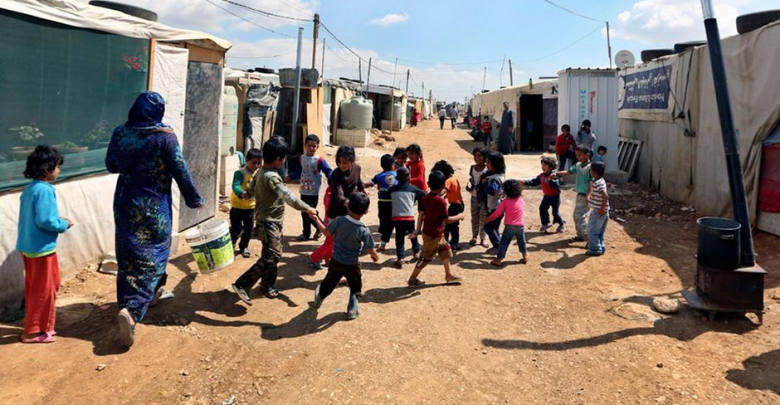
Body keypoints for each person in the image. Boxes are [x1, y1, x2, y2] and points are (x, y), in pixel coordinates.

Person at [106, 91, 203, 347]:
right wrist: (193, 198)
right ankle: (132, 311)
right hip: (154, 207)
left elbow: (112, 165)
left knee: (129, 254)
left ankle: (154, 293)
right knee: (155, 254)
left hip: (126, 202)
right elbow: (180, 169)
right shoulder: (165, 136)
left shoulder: (120, 133)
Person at [231, 139, 317, 305]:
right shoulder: (271, 177)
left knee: (268, 253)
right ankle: (243, 283)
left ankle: (267, 284)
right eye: (284, 158)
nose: (284, 161)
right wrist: (307, 208)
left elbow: (250, 189)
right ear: (278, 159)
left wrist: (246, 194)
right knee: (274, 254)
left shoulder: (260, 172)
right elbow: (288, 196)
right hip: (269, 223)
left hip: (269, 221)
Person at [17, 146, 73, 344]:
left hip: (29, 247)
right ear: (47, 169)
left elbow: (38, 217)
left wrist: (57, 220)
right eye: (57, 166)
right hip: (41, 250)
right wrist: (64, 224)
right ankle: (33, 331)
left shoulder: (30, 189)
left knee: (41, 287)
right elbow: (46, 220)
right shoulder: (45, 191)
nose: (58, 170)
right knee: (45, 290)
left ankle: (43, 326)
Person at [310, 193, 379, 320]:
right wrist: (374, 256)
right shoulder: (363, 229)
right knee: (355, 287)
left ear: (348, 206)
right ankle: (352, 310)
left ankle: (318, 299)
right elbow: (370, 249)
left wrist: (316, 219)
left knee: (329, 283)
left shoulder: (339, 221)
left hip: (335, 261)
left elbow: (326, 233)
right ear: (366, 211)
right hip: (352, 265)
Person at [308, 145, 365, 270]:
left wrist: (363, 190)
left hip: (349, 210)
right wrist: (347, 202)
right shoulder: (336, 174)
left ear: (352, 160)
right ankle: (314, 257)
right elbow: (339, 195)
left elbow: (358, 181)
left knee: (335, 239)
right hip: (336, 210)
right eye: (339, 162)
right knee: (332, 239)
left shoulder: (357, 168)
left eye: (345, 162)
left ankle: (328, 259)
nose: (341, 165)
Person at [407, 171, 464, 287]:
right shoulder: (441, 202)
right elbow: (447, 220)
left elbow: (421, 215)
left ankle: (449, 275)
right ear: (443, 186)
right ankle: (412, 279)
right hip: (434, 235)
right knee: (425, 258)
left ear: (428, 184)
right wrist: (459, 216)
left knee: (445, 250)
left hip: (431, 233)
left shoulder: (425, 198)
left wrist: (417, 230)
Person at [285, 134, 333, 241]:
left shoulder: (319, 160)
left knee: (310, 212)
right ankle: (307, 233)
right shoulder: (301, 158)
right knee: (304, 212)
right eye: (309, 145)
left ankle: (320, 227)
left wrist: (332, 180)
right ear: (305, 145)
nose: (311, 148)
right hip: (304, 190)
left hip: (314, 191)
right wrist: (290, 177)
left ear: (317, 147)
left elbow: (328, 171)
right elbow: (299, 172)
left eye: (314, 146)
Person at [389, 167, 426, 267]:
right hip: (409, 216)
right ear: (409, 177)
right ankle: (416, 252)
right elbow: (423, 194)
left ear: (396, 178)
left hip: (397, 218)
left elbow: (384, 193)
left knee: (399, 238)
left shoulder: (392, 190)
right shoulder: (413, 189)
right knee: (413, 234)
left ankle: (400, 258)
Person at [485, 180, 527, 267]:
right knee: (521, 241)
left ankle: (498, 260)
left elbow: (497, 213)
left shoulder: (505, 202)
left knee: (504, 243)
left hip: (510, 227)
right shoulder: (521, 199)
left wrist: (489, 219)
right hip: (521, 226)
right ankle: (525, 255)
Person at [230, 148, 262, 258]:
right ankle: (231, 245)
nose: (256, 166)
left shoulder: (258, 173)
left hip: (250, 207)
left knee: (248, 229)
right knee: (236, 229)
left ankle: (243, 247)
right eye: (254, 163)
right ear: (247, 160)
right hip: (237, 207)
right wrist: (241, 193)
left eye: (258, 163)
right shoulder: (240, 173)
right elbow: (235, 185)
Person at [556, 146, 592, 242]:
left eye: (580, 155)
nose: (578, 157)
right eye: (576, 155)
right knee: (577, 215)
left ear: (587, 155)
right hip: (580, 194)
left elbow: (591, 182)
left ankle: (589, 238)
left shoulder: (590, 168)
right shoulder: (578, 165)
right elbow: (568, 171)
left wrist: (588, 195)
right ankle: (581, 235)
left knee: (580, 216)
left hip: (585, 195)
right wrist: (557, 174)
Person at [523, 156, 565, 233]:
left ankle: (562, 223)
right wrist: (524, 182)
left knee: (555, 213)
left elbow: (555, 185)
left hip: (555, 197)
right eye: (542, 165)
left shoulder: (554, 175)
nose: (542, 167)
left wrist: (551, 180)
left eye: (545, 165)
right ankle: (546, 223)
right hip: (546, 196)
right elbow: (534, 182)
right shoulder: (541, 176)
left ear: (551, 166)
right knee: (542, 209)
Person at [367, 154, 398, 251]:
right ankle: (383, 239)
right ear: (393, 165)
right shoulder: (397, 175)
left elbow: (369, 184)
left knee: (382, 218)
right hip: (394, 202)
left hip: (382, 202)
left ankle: (383, 237)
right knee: (390, 222)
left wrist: (360, 185)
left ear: (381, 165)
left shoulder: (379, 176)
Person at [432, 160, 464, 252]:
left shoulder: (448, 181)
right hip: (459, 204)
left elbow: (443, 191)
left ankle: (446, 242)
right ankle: (455, 242)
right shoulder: (454, 178)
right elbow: (453, 192)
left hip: (455, 205)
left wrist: (433, 195)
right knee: (454, 225)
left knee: (448, 224)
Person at [481, 152, 506, 253]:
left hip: (494, 208)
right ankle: (498, 245)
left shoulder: (494, 179)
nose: (486, 164)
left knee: (488, 227)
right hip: (499, 206)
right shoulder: (501, 175)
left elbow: (492, 191)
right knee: (494, 228)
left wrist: (484, 184)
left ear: (494, 164)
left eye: (488, 163)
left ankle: (498, 246)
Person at [467, 147, 489, 248]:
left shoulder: (487, 169)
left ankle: (483, 238)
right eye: (475, 155)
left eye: (479, 156)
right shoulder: (472, 168)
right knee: (474, 218)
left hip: (484, 198)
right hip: (474, 197)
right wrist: (470, 186)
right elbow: (472, 180)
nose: (477, 158)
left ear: (484, 157)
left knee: (483, 219)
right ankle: (474, 236)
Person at [586, 162, 609, 256]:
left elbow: (605, 196)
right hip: (603, 212)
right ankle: (601, 247)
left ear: (593, 172)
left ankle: (595, 249)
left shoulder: (598, 184)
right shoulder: (601, 180)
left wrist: (602, 209)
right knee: (599, 232)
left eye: (590, 169)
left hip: (598, 212)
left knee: (592, 232)